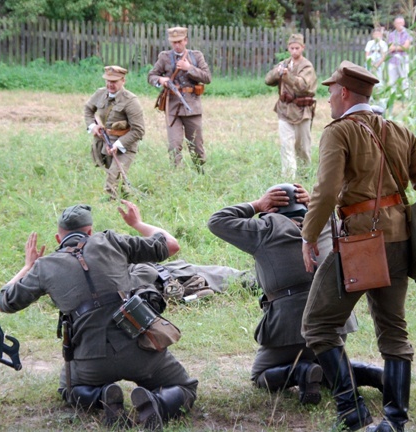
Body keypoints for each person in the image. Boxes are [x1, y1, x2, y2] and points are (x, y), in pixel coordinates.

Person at [300, 61, 416, 432]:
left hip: (362, 242)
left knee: (317, 325)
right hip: (401, 241)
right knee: (394, 331)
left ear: (344, 93)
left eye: (331, 90)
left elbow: (327, 192)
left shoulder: (339, 132)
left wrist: (308, 234)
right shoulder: (399, 131)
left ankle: (351, 411)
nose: (328, 97)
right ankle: (394, 421)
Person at [0, 201, 198, 430]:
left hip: (90, 361)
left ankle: (103, 396)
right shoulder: (110, 240)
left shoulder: (44, 266)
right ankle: (157, 403)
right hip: (141, 348)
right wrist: (138, 223)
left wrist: (27, 266)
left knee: (68, 389)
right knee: (186, 387)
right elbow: (171, 245)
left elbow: (5, 302)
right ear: (90, 231)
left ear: (57, 238)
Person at [207, 184, 384, 406]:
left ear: (271, 209)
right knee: (328, 366)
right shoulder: (329, 224)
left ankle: (302, 371)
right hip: (335, 321)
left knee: (260, 374)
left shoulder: (266, 228)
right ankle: (371, 373)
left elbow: (217, 221)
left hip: (290, 326)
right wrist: (316, 207)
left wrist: (256, 205)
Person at [148, 26, 212, 173]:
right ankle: (177, 175)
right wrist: (161, 80)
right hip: (173, 107)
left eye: (179, 41)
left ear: (186, 40)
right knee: (174, 145)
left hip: (192, 106)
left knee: (196, 145)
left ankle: (200, 173)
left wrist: (189, 68)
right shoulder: (164, 57)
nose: (177, 45)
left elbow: (207, 78)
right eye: (174, 42)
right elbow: (151, 76)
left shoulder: (196, 56)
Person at [84, 65, 145, 200]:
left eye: (114, 81)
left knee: (112, 181)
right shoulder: (100, 94)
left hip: (124, 147)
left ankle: (110, 207)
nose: (110, 84)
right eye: (108, 81)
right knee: (118, 178)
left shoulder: (131, 101)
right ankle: (127, 197)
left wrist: (118, 144)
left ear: (123, 81)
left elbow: (139, 130)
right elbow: (88, 110)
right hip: (104, 143)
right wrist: (92, 126)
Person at [265, 34, 317, 179]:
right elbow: (268, 80)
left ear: (302, 48)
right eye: (292, 48)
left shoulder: (307, 66)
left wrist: (287, 76)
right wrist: (277, 72)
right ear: (288, 48)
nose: (294, 51)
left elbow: (303, 86)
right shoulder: (284, 63)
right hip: (284, 110)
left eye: (297, 48)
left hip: (302, 111)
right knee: (286, 146)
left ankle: (305, 177)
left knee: (303, 148)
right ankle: (288, 179)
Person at [386, 16, 412, 89]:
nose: (399, 24)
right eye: (397, 23)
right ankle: (392, 96)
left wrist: (395, 48)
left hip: (403, 60)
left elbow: (406, 47)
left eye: (400, 22)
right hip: (392, 60)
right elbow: (390, 47)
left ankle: (406, 96)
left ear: (403, 23)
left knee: (405, 79)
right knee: (392, 80)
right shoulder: (391, 35)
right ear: (394, 24)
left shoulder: (407, 34)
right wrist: (399, 47)